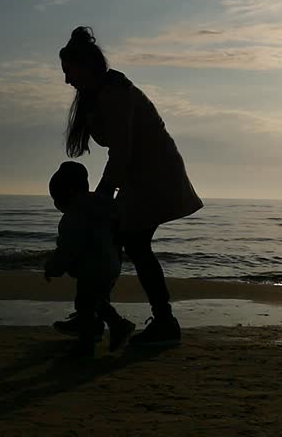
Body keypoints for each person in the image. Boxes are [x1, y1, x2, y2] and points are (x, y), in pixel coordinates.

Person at [58, 26, 204, 345]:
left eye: (69, 71)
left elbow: (122, 150)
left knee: (134, 243)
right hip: (140, 175)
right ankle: (95, 316)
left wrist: (101, 197)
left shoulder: (116, 94)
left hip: (156, 174)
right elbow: (121, 153)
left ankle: (162, 322)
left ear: (86, 66)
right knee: (121, 241)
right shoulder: (99, 96)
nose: (67, 80)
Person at [44, 161, 136, 357]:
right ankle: (115, 327)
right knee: (97, 302)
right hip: (111, 264)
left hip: (93, 269)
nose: (56, 205)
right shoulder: (103, 207)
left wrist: (54, 267)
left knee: (85, 305)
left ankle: (90, 343)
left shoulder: (73, 217)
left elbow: (68, 248)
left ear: (65, 195)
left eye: (56, 199)